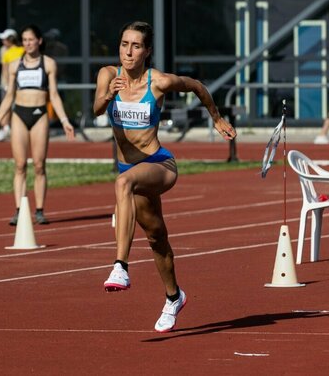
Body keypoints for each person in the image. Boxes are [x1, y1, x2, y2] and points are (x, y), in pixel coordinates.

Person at [93, 21, 236, 333]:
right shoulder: (108, 75)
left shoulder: (158, 81)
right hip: (127, 167)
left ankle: (120, 267)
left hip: (159, 164)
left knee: (123, 183)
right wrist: (108, 96)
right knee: (157, 237)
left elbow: (196, 85)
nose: (128, 52)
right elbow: (95, 109)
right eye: (124, 44)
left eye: (136, 46)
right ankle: (174, 297)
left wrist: (216, 118)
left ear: (147, 51)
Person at [0, 24, 75, 225]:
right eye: (24, 40)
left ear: (39, 41)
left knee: (39, 165)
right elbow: (9, 96)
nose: (28, 43)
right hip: (19, 114)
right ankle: (19, 210)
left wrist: (64, 120)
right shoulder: (15, 65)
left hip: (39, 114)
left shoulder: (49, 63)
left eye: (31, 40)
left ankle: (40, 210)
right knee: (19, 165)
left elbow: (53, 95)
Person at [0, 29, 24, 142]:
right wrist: (7, 84)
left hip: (21, 85)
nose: (3, 41)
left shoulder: (22, 50)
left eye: (5, 39)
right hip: (7, 85)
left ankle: (19, 129)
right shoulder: (4, 51)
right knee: (6, 106)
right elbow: (5, 70)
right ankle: (5, 128)